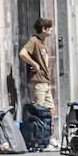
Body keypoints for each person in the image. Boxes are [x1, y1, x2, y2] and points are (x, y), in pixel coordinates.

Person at [18, 17, 58, 149]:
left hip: (45, 82)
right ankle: (39, 140)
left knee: (51, 110)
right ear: (44, 29)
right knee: (38, 112)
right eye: (49, 28)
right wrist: (34, 64)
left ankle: (49, 138)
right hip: (37, 82)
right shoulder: (34, 41)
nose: (51, 30)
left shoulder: (42, 43)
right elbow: (23, 53)